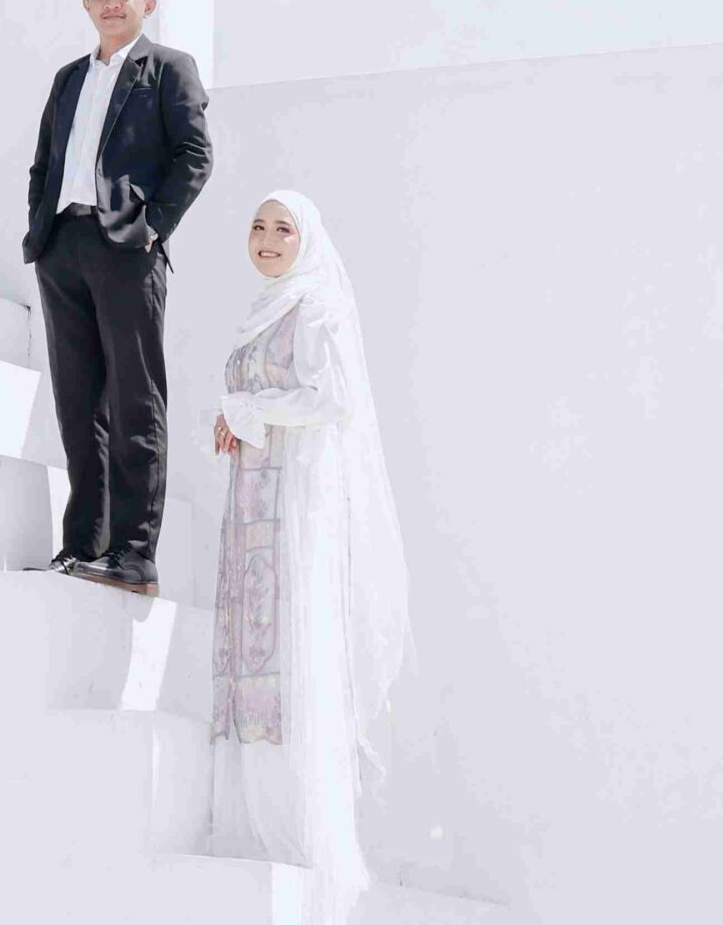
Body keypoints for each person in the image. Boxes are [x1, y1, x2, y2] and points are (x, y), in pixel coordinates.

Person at [210, 190, 409, 916]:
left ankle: (299, 830)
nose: (267, 239)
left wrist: (248, 410)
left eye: (282, 229)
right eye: (257, 226)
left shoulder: (317, 307)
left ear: (307, 240)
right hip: (250, 507)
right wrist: (235, 417)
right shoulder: (264, 310)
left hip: (293, 505)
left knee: (292, 646)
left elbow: (334, 399)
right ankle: (252, 821)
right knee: (251, 651)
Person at [23, 0, 213, 595]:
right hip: (61, 246)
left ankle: (134, 556)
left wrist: (152, 226)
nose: (111, 2)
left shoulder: (168, 68)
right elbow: (43, 164)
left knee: (136, 400)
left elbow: (194, 154)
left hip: (127, 247)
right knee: (78, 404)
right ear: (85, 4)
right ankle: (83, 546)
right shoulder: (68, 78)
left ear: (147, 3)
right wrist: (40, 230)